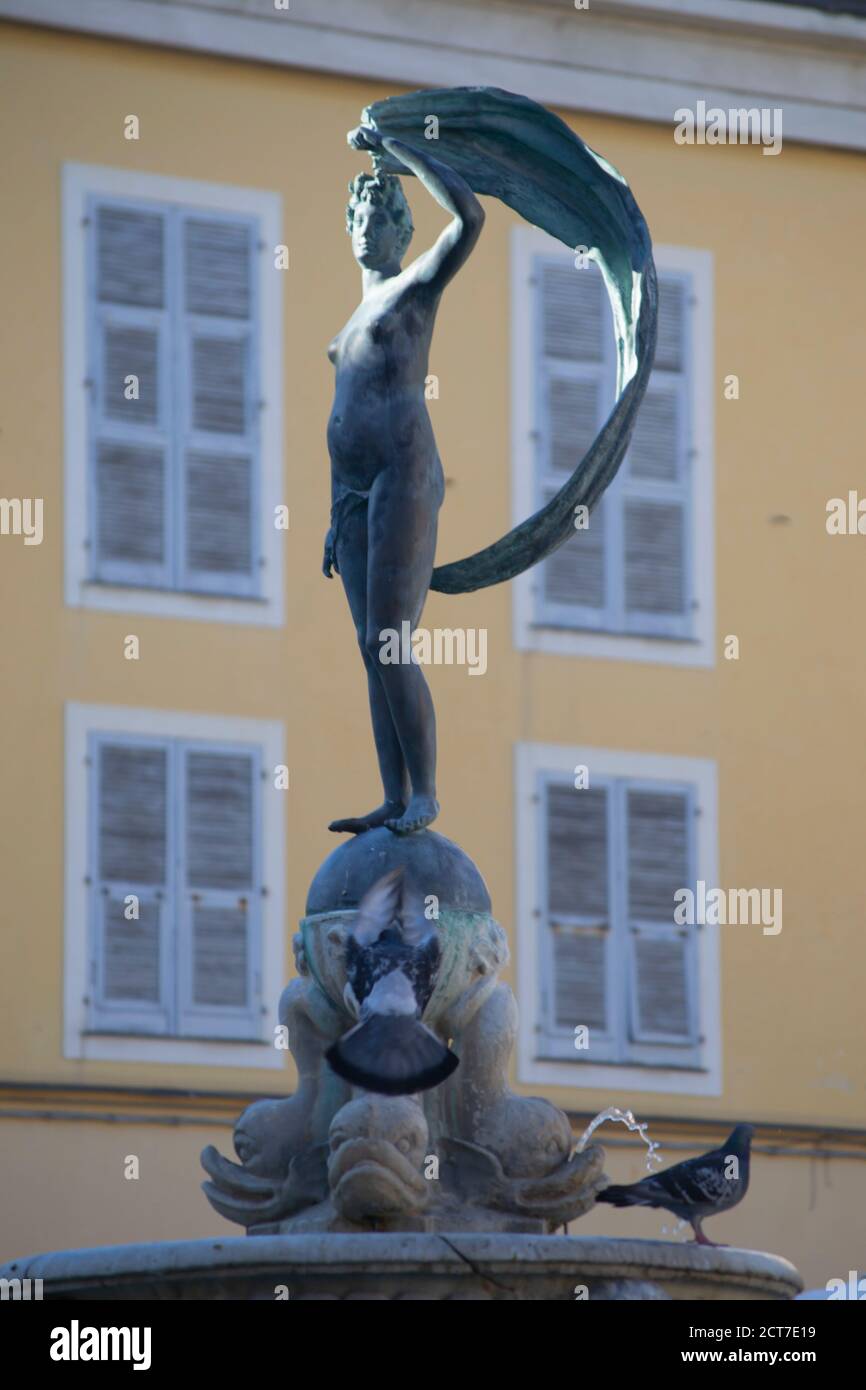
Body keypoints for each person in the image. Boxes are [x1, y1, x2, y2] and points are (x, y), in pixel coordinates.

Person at [323, 126, 484, 835]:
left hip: (403, 471)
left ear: (405, 230)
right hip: (354, 490)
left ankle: (426, 793)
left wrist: (403, 153)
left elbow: (470, 219)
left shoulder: (414, 290)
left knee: (390, 638)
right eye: (360, 216)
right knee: (369, 647)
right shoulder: (350, 322)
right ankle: (392, 798)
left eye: (385, 217)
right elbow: (339, 423)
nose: (369, 227)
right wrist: (333, 514)